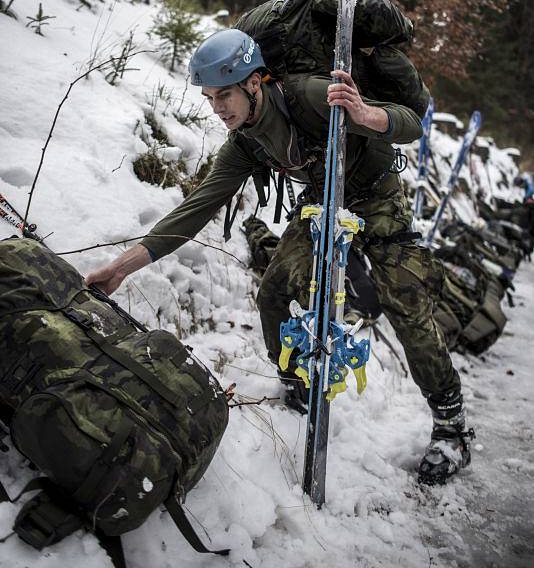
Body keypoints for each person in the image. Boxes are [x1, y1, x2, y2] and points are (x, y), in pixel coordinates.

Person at [86, 26, 473, 485]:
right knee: (274, 289)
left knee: (406, 303)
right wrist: (119, 269)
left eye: (224, 94)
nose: (217, 109)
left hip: (377, 195)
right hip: (320, 199)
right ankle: (297, 387)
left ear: (255, 83)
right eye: (210, 98)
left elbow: (410, 124)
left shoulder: (310, 95)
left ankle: (451, 426)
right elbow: (193, 211)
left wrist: (366, 115)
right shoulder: (245, 142)